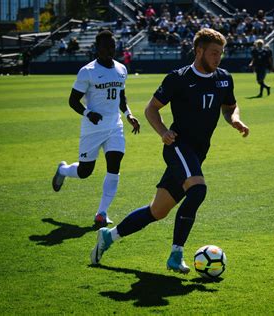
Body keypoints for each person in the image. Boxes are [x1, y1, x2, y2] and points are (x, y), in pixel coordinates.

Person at [90, 28, 250, 274]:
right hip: (177, 146)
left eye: (221, 53)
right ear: (199, 51)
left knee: (157, 211)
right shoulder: (178, 78)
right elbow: (151, 109)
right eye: (214, 53)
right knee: (197, 190)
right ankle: (176, 254)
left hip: (197, 153)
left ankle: (109, 237)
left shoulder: (224, 78)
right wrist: (163, 132)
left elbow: (230, 106)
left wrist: (235, 119)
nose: (219, 58)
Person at [52, 30, 141, 226]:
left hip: (114, 126)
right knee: (85, 172)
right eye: (105, 47)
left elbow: (121, 98)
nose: (110, 50)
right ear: (97, 48)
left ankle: (101, 213)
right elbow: (73, 100)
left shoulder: (121, 69)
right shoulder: (88, 71)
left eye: (112, 46)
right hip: (92, 129)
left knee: (114, 166)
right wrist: (87, 113)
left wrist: (129, 116)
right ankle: (64, 170)